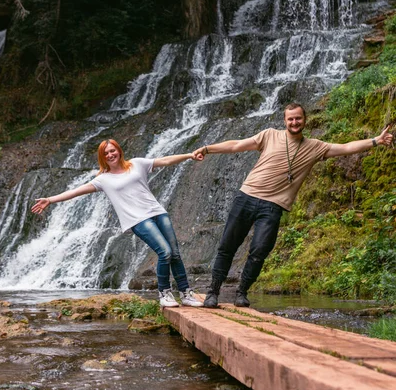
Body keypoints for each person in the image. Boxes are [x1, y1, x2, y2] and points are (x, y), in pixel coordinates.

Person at [193, 102, 394, 309]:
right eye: (291, 119)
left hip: (273, 206)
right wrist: (208, 149)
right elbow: (236, 145)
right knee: (227, 247)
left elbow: (345, 148)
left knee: (260, 250)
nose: (295, 122)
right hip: (246, 197)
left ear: (305, 120)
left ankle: (242, 292)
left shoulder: (315, 147)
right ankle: (213, 292)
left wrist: (376, 141)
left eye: (298, 118)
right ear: (285, 121)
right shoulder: (269, 135)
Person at [31, 139, 204, 308]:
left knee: (174, 253)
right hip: (138, 220)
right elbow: (76, 192)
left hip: (158, 212)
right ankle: (164, 293)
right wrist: (50, 200)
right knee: (164, 252)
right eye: (105, 153)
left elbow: (165, 160)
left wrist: (189, 155)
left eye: (112, 150)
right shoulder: (103, 179)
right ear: (102, 157)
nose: (110, 154)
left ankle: (185, 293)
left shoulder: (137, 164)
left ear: (119, 150)